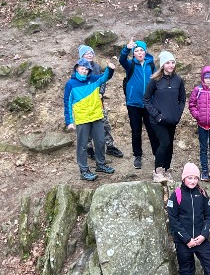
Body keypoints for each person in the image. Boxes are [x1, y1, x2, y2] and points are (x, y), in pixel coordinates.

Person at [63, 57, 117, 181]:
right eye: (82, 68)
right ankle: (84, 170)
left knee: (100, 141)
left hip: (96, 116)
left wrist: (110, 69)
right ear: (77, 68)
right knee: (82, 145)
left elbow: (105, 77)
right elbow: (67, 102)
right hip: (82, 119)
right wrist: (69, 121)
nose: (84, 71)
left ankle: (101, 164)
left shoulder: (93, 79)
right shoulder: (71, 84)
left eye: (87, 69)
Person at [143, 51, 186, 183]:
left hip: (172, 120)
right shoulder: (155, 80)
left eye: (172, 62)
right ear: (162, 65)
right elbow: (146, 99)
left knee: (170, 145)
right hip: (158, 120)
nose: (171, 65)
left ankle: (167, 170)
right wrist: (156, 115)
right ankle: (158, 171)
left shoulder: (178, 80)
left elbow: (182, 99)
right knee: (165, 142)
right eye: (168, 63)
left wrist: (178, 114)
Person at [78, 45, 124, 159]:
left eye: (91, 53)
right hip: (84, 104)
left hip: (98, 101)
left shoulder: (97, 67)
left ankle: (110, 146)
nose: (89, 55)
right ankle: (89, 149)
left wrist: (101, 93)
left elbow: (103, 80)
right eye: (86, 53)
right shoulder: (79, 68)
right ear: (82, 56)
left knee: (104, 124)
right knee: (87, 126)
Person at [119, 39, 158, 168]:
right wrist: (126, 48)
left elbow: (157, 81)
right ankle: (137, 156)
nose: (139, 53)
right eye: (136, 51)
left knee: (152, 130)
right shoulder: (130, 65)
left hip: (149, 104)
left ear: (146, 52)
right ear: (133, 53)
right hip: (133, 104)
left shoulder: (151, 65)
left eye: (142, 50)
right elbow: (121, 60)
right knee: (136, 131)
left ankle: (157, 154)